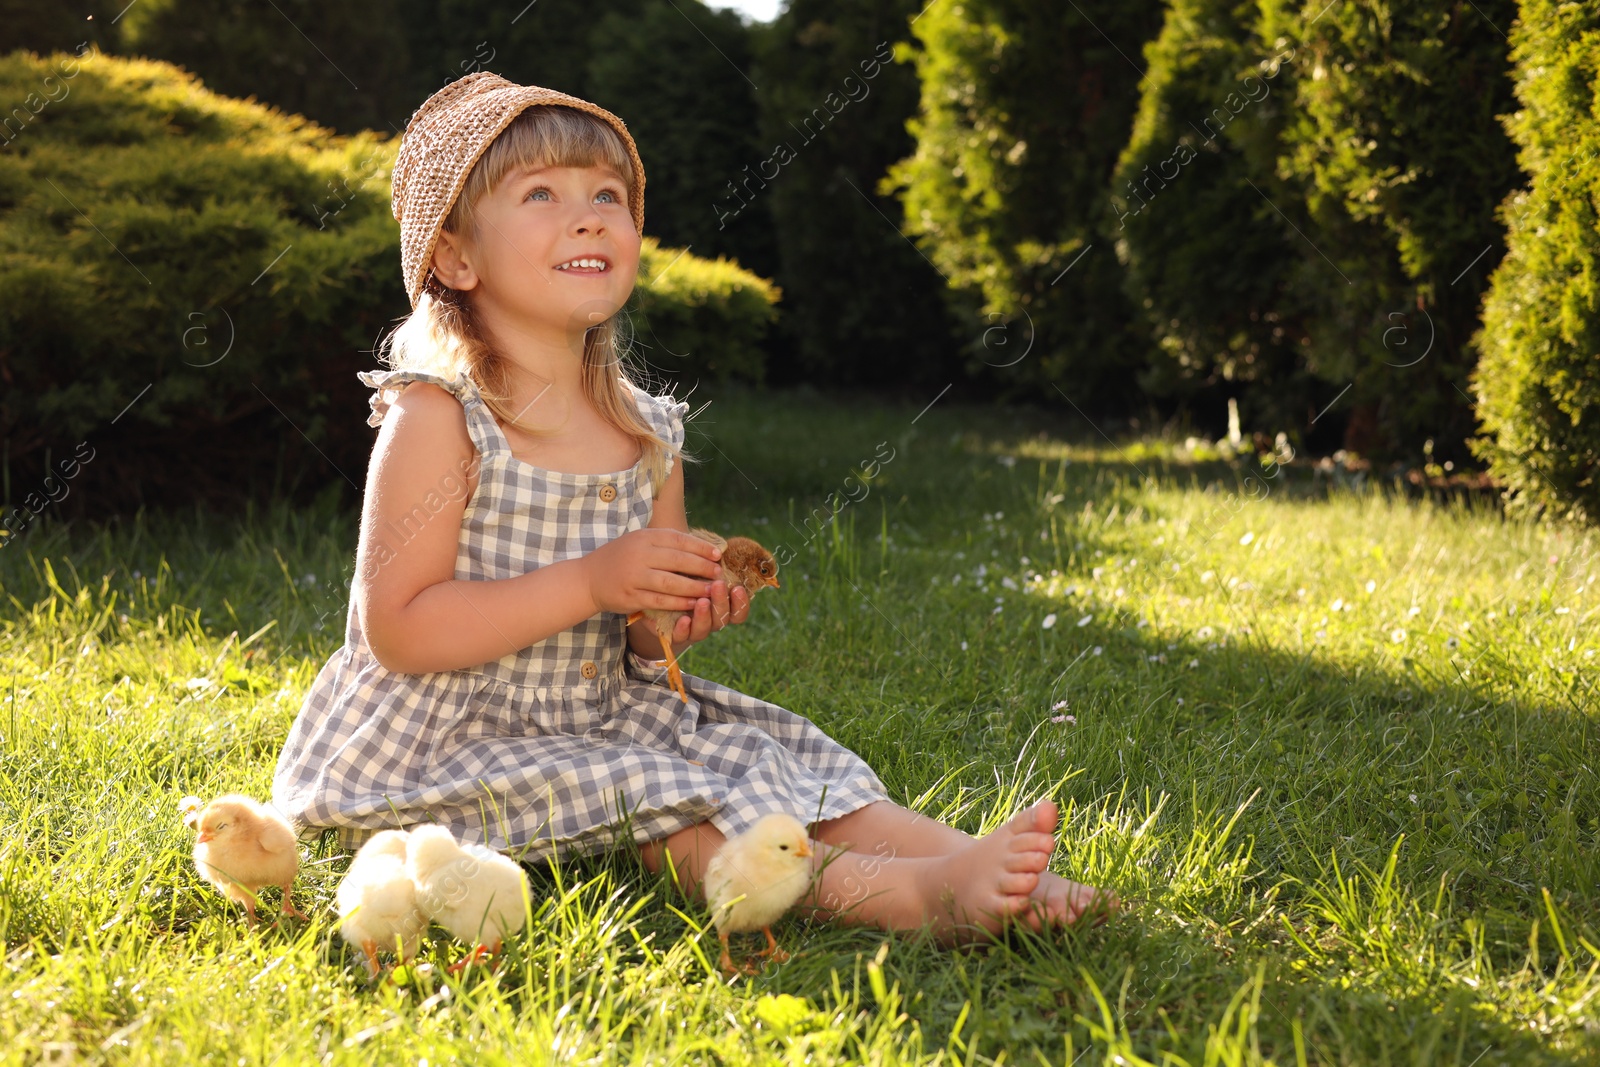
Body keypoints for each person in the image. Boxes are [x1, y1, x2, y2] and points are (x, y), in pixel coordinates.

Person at [271, 73, 1113, 941]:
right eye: (541, 195)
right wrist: (595, 579)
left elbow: (639, 639)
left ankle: (970, 863)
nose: (591, 215)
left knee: (759, 755)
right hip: (445, 739)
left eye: (609, 194)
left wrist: (671, 612)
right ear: (454, 258)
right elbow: (399, 628)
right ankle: (905, 898)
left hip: (597, 710)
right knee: (658, 796)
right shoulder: (440, 414)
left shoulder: (646, 430)